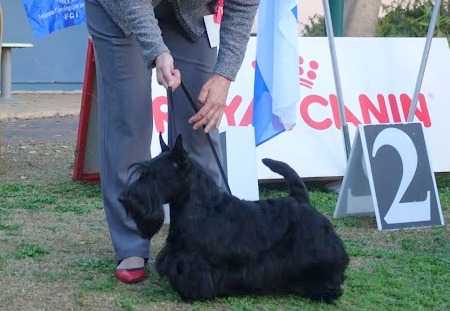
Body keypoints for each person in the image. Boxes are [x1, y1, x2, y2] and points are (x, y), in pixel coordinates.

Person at [85, 0, 259, 284]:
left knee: (200, 120)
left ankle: (207, 239)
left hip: (190, 14)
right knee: (129, 122)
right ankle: (131, 244)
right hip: (120, 10)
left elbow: (242, 6)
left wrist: (224, 75)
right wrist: (158, 52)